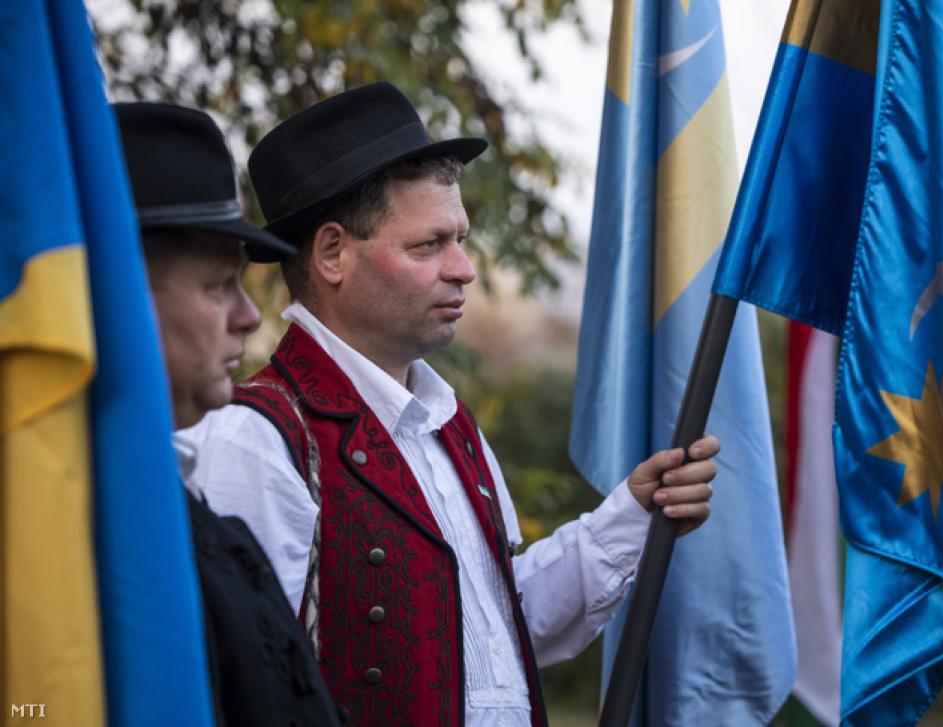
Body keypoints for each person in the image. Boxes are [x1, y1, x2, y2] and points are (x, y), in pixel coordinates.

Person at [177, 82, 718, 726]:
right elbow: (242, 685)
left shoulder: (447, 424)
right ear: (332, 254)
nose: (463, 268)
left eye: (459, 238)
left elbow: (499, 632)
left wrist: (630, 514)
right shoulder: (256, 438)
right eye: (428, 245)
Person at [114, 101, 341, 727]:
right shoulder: (60, 538)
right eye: (219, 285)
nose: (248, 316)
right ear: (116, 294)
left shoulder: (180, 513)